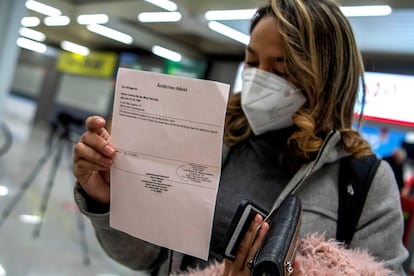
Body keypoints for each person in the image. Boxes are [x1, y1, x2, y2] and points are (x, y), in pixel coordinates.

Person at [73, 0, 408, 275]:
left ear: (327, 75)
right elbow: (151, 257)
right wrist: (110, 200)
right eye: (251, 61)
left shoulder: (366, 183)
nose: (259, 78)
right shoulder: (213, 138)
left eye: (281, 68)